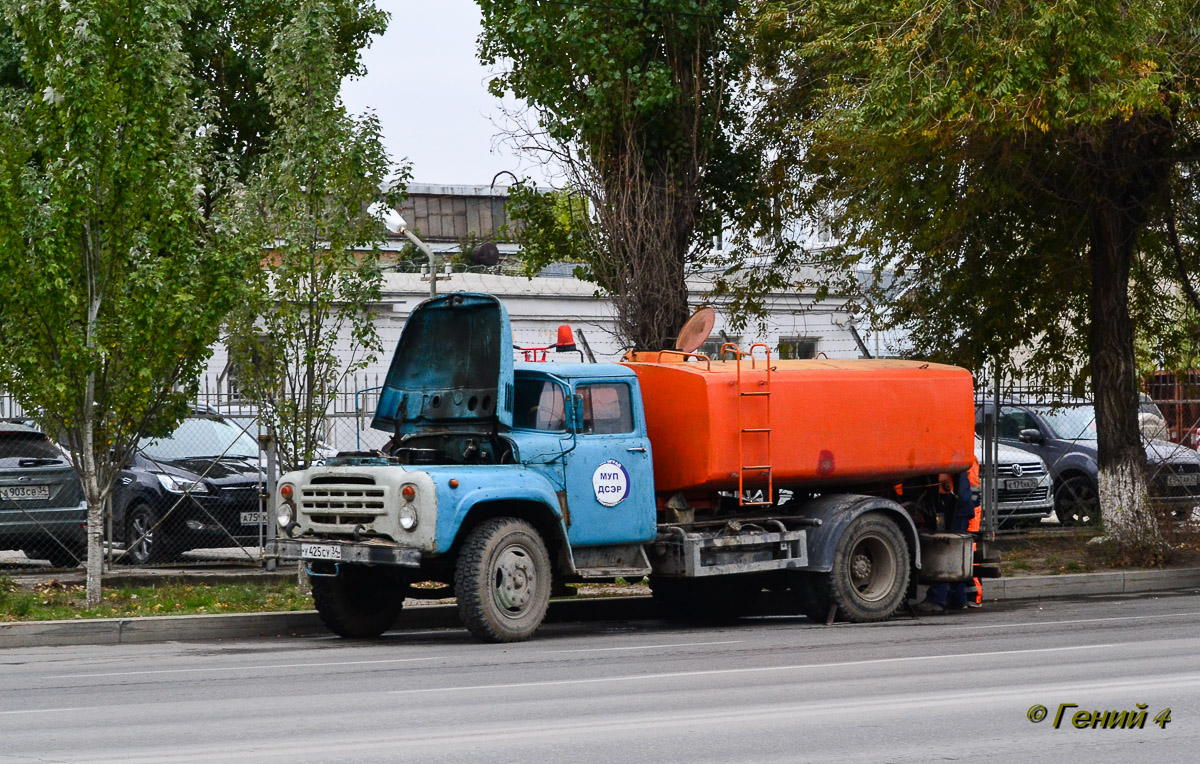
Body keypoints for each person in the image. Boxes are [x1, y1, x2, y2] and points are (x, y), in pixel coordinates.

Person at [915, 459, 982, 613]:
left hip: (955, 502)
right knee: (955, 550)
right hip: (960, 503)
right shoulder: (965, 455)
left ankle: (937, 599)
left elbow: (958, 484)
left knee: (946, 548)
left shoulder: (958, 456)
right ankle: (958, 598)